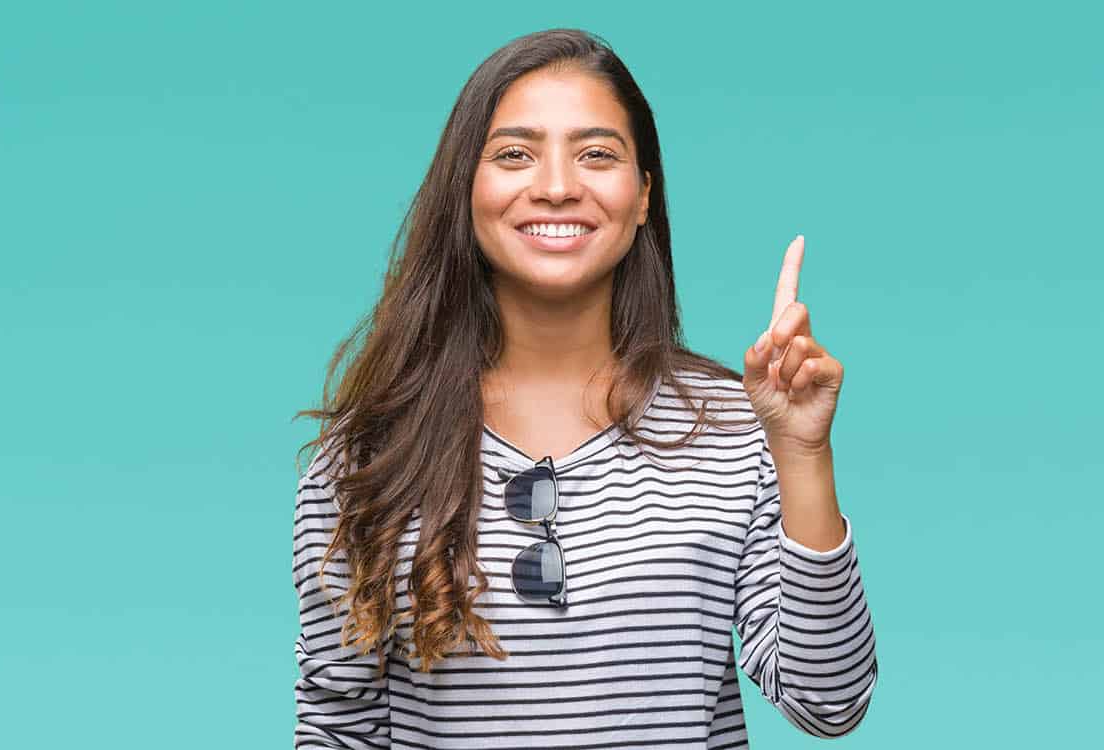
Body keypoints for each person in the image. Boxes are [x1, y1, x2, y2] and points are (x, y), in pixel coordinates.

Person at [291, 28, 877, 749]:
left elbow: (831, 701)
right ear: (465, 192)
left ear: (641, 198)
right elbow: (337, 728)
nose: (559, 185)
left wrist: (802, 453)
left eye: (597, 154)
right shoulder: (369, 457)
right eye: (514, 154)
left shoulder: (737, 430)